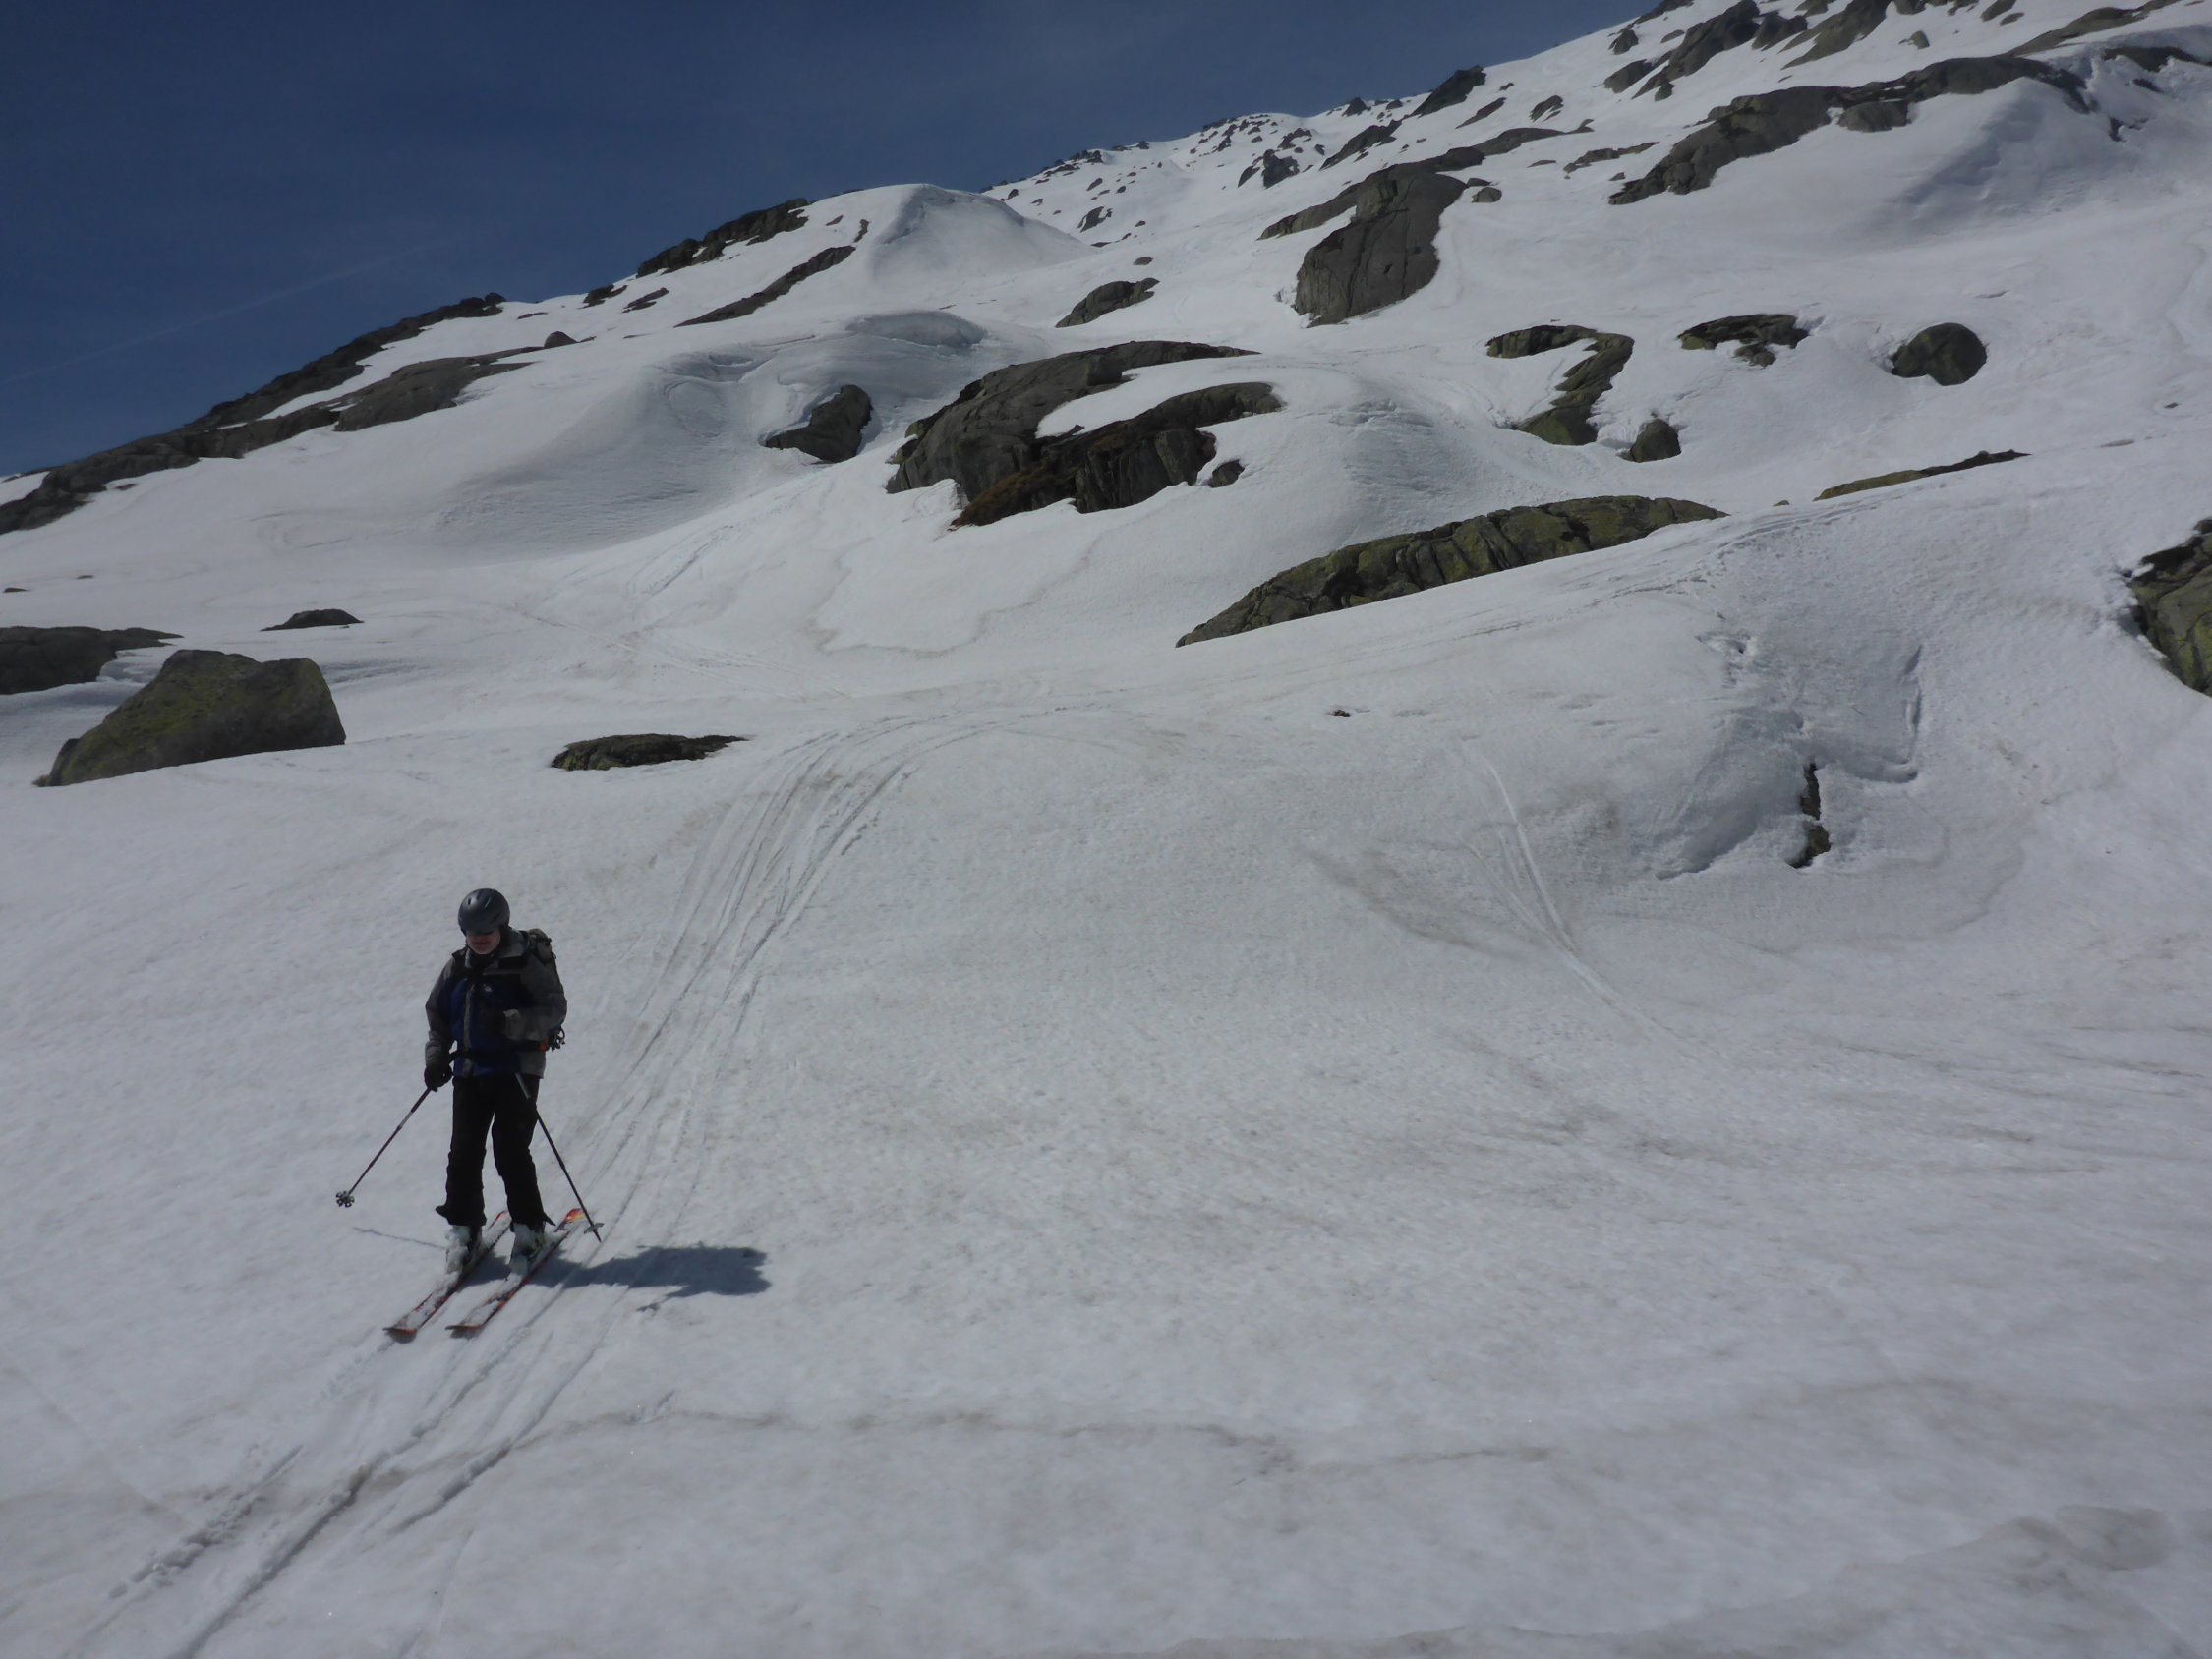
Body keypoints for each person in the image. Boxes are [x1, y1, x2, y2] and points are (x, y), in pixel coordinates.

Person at [425, 888, 566, 1274]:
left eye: (486, 931)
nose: (479, 939)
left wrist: (508, 1022)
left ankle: (530, 1229)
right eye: (472, 932)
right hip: (470, 1071)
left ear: (501, 926)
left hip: (516, 1068)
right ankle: (464, 1228)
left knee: (510, 1150)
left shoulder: (523, 962)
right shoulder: (458, 966)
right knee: (463, 1152)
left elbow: (554, 1008)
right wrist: (436, 1058)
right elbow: (438, 1016)